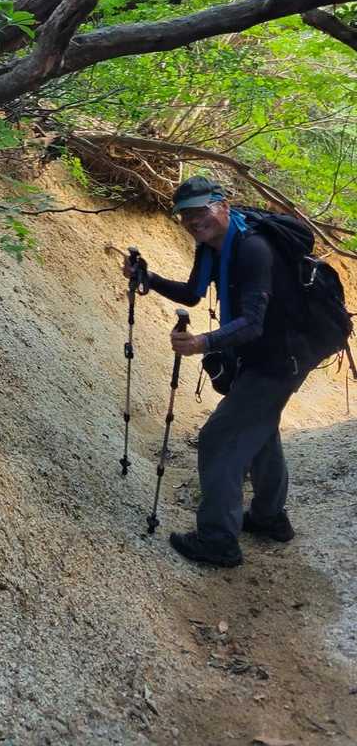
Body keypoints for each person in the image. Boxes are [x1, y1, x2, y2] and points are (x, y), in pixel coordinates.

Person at [123, 175, 307, 568]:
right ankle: (270, 519)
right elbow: (193, 293)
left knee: (219, 439)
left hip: (280, 359)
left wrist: (202, 343)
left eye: (199, 211)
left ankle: (218, 540)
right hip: (262, 356)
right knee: (260, 428)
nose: (192, 220)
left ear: (223, 206)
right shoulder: (211, 246)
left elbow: (253, 323)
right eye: (185, 215)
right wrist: (148, 278)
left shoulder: (253, 248)